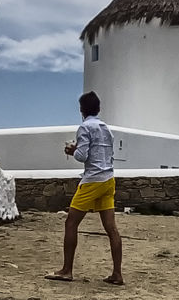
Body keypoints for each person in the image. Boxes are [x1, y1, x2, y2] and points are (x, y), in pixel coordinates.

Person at [49, 92, 123, 284]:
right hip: (109, 179)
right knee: (111, 228)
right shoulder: (106, 129)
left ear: (82, 110)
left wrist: (72, 150)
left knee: (71, 223)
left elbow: (82, 156)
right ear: (98, 108)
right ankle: (117, 274)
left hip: (92, 180)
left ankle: (66, 270)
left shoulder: (84, 127)